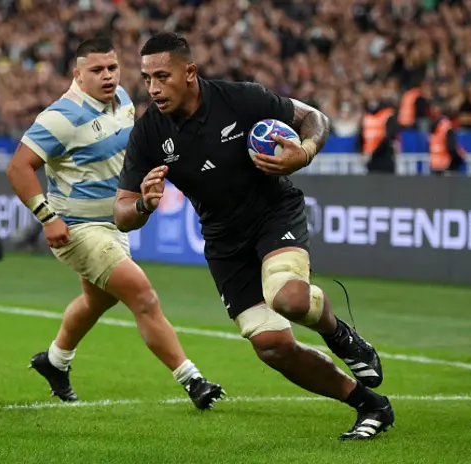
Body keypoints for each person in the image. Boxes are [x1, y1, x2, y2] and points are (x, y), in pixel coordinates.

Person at [115, 32, 394, 440]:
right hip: (225, 243)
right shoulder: (149, 133)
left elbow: (315, 118)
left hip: (272, 214)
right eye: (147, 78)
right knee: (272, 346)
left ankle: (341, 335)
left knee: (290, 297)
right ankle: (371, 406)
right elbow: (121, 214)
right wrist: (142, 204)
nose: (154, 88)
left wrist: (306, 151)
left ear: (190, 72)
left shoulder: (240, 99)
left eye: (163, 76)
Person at [6, 37, 224, 410]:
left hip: (114, 224)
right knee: (142, 294)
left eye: (112, 68)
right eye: (96, 70)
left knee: (96, 300)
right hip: (77, 228)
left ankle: (55, 361)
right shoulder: (60, 117)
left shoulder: (123, 99)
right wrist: (47, 218)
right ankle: (194, 381)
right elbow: (18, 167)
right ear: (78, 74)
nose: (107, 76)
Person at [429, 101, 466, 175]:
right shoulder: (447, 127)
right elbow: (451, 148)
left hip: (434, 163)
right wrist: (460, 158)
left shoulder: (436, 125)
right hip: (446, 165)